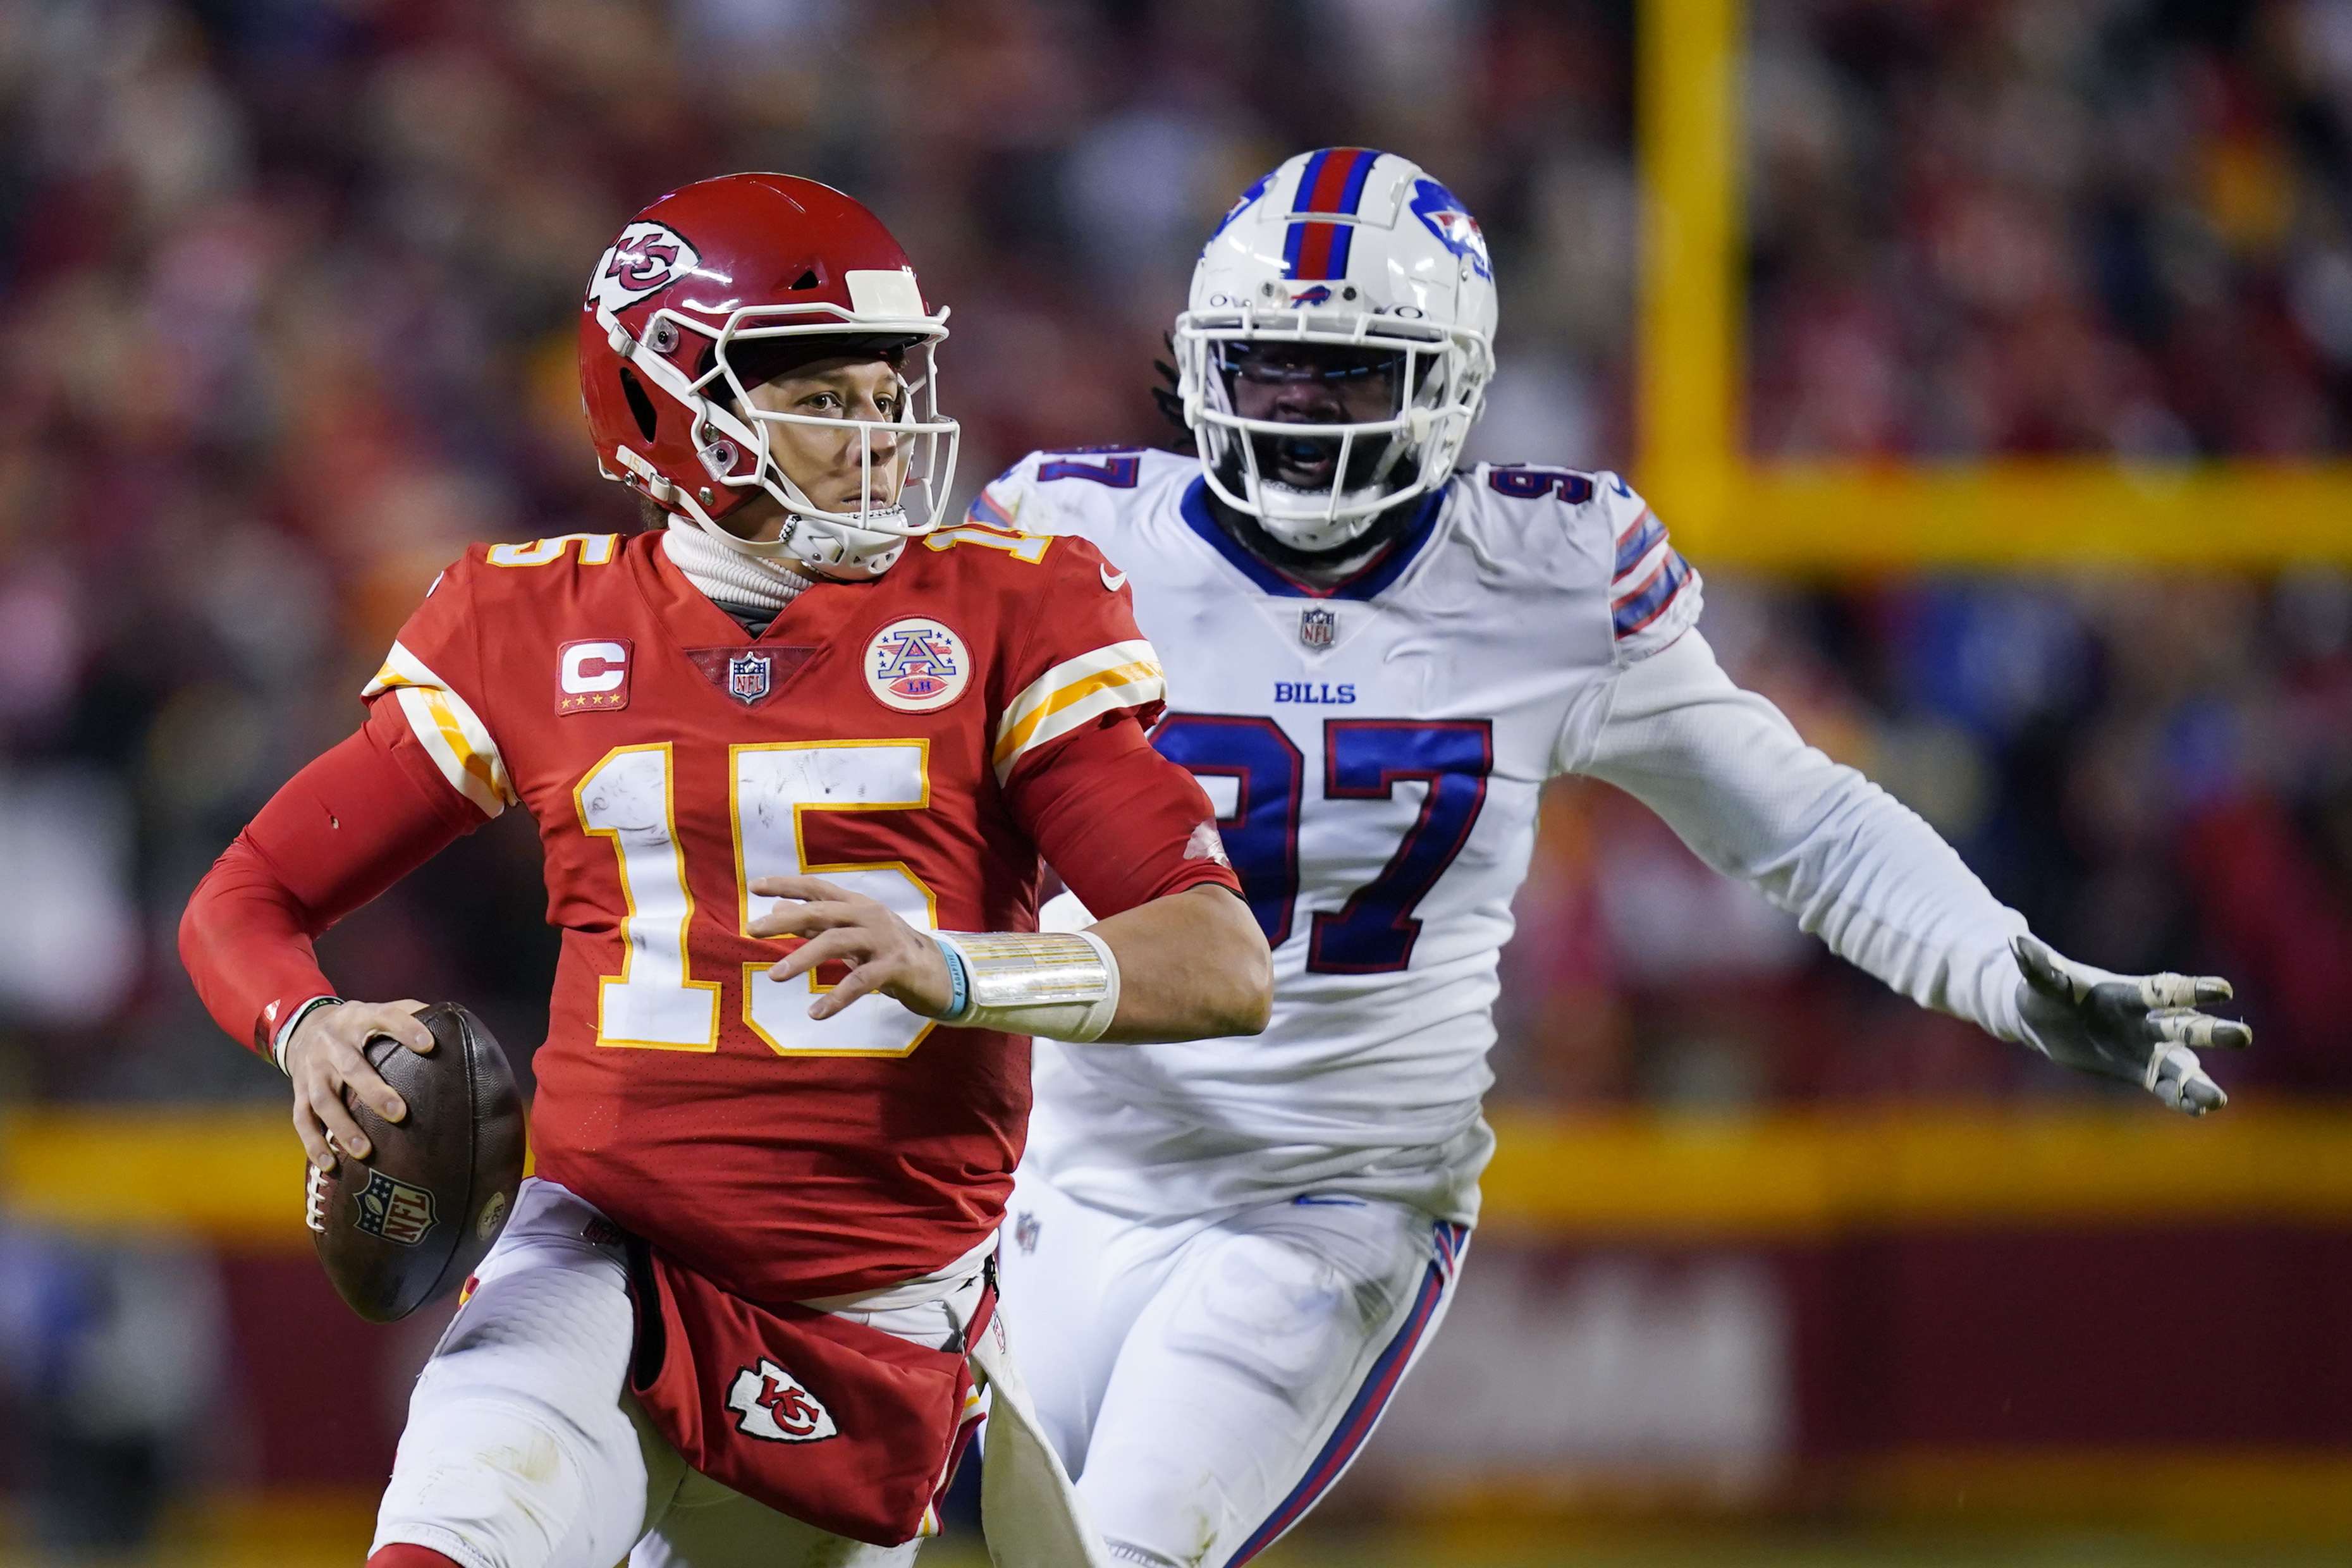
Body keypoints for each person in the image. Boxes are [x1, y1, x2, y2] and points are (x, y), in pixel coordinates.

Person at [978, 147, 2253, 1568]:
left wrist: (2000, 969)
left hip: (1327, 1203)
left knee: (1133, 1549)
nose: (1299, 410)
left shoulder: (1549, 578)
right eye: (1270, 365)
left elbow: (1802, 825)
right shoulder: (1060, 536)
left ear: (1453, 385)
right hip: (1043, 1181)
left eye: (1349, 374)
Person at [178, 173, 1271, 1568]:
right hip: (598, 1256)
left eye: (890, 392)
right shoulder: (531, 621)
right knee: (451, 1533)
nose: (879, 435)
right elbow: (246, 901)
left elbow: (1220, 960)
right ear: (667, 405)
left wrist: (960, 969)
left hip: (877, 1322)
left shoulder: (1009, 611)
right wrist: (304, 1021)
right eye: (826, 396)